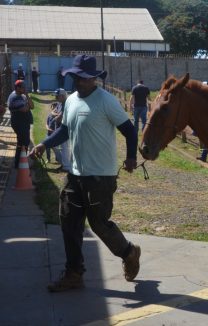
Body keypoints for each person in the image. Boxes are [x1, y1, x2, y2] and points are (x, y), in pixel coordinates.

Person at [29, 54, 140, 292]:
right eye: (75, 77)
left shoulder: (106, 101)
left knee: (99, 223)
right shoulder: (70, 101)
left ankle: (129, 252)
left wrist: (131, 157)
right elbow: (65, 131)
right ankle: (74, 273)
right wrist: (44, 144)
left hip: (101, 176)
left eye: (83, 78)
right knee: (68, 220)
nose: (79, 81)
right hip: (76, 173)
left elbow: (130, 131)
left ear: (94, 79)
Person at [7, 80, 34, 168]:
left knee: (24, 142)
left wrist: (26, 97)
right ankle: (19, 163)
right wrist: (27, 103)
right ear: (18, 88)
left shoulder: (22, 95)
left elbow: (32, 106)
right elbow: (25, 109)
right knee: (23, 143)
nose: (25, 88)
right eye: (23, 87)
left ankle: (21, 162)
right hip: (19, 124)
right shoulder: (14, 97)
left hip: (24, 123)